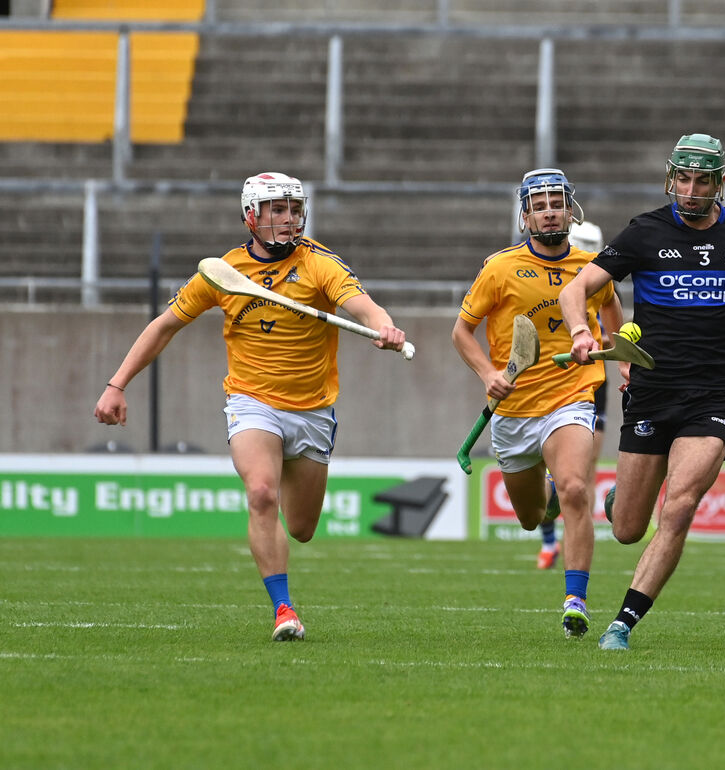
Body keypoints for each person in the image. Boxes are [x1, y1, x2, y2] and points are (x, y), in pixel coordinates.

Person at [93, 172, 410, 642]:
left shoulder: (319, 263)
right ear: (250, 216)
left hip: (313, 409)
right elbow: (164, 326)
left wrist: (384, 326)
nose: (288, 219)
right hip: (251, 401)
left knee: (301, 528)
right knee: (261, 493)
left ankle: (285, 567)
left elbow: (362, 305)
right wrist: (116, 385)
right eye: (276, 210)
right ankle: (283, 609)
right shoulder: (224, 272)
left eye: (294, 209)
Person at [558, 133, 725, 651]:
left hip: (714, 398)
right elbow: (575, 288)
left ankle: (622, 624)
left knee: (679, 506)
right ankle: (622, 499)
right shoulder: (644, 233)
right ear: (671, 178)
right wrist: (581, 331)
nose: (691, 191)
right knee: (627, 529)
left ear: (720, 183)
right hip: (651, 392)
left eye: (702, 181)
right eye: (684, 179)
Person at [452, 169, 623, 637]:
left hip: (571, 395)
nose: (549, 212)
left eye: (557, 203)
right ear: (525, 216)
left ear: (571, 211)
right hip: (513, 410)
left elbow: (612, 308)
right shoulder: (499, 268)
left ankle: (575, 600)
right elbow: (461, 332)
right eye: (539, 206)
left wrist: (618, 354)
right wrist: (488, 374)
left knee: (575, 488)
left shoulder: (592, 267)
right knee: (531, 517)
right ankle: (546, 501)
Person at [536, 220, 610, 571]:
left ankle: (575, 538)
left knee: (584, 472)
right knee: (546, 470)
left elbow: (613, 331)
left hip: (591, 383)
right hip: (549, 379)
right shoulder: (548, 280)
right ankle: (549, 540)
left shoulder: (603, 281)